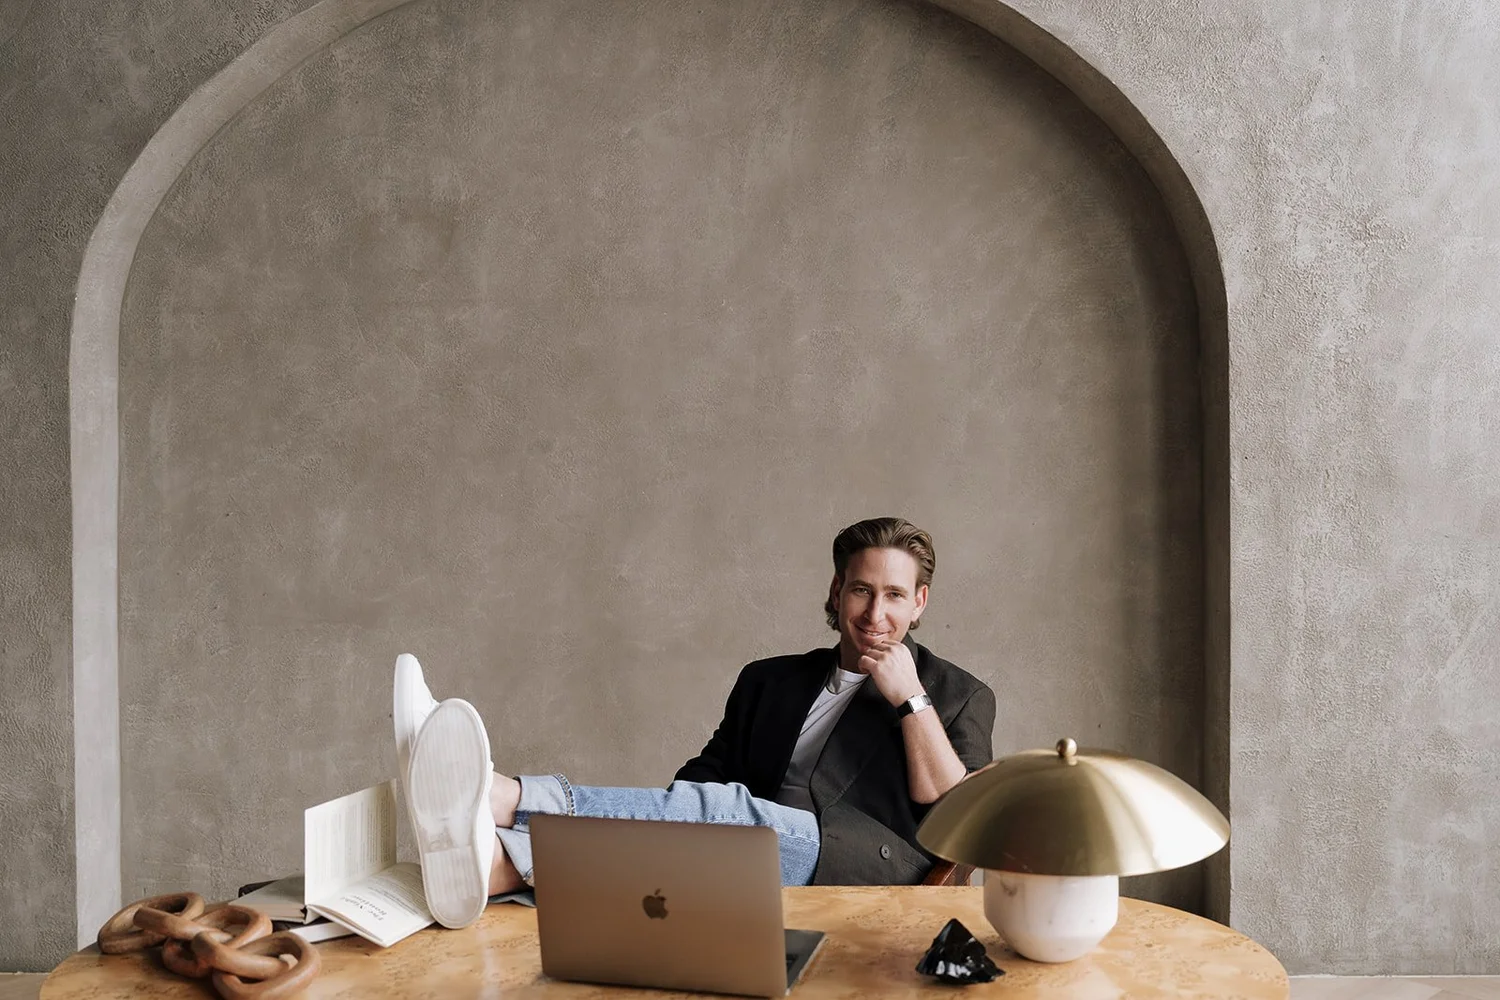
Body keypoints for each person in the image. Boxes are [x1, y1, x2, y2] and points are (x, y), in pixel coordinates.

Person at [396, 517, 996, 929]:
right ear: (837, 591)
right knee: (714, 810)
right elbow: (708, 773)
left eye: (895, 595)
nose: (876, 613)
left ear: (919, 603)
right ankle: (494, 867)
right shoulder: (770, 679)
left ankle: (506, 797)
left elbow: (955, 811)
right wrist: (681, 811)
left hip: (863, 865)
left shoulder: (958, 694)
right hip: (746, 843)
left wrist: (909, 697)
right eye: (862, 590)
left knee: (732, 813)